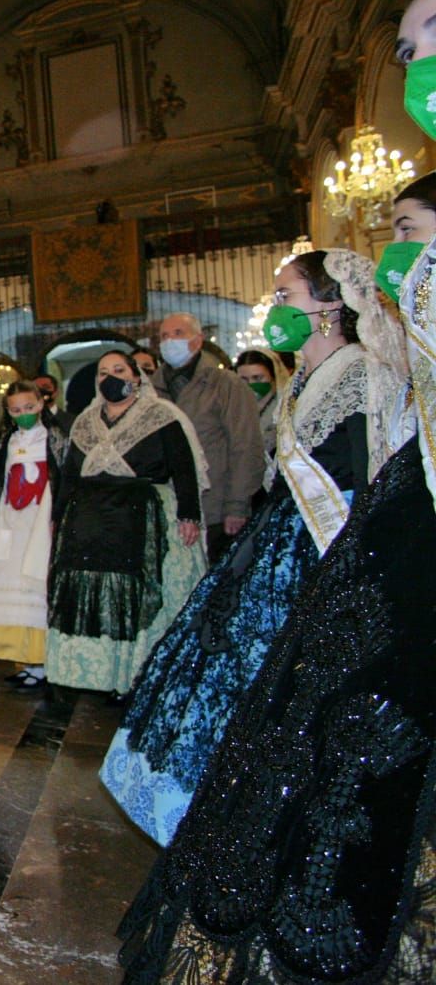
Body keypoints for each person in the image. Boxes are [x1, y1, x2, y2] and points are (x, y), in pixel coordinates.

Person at [118, 0, 436, 977]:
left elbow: (283, 454)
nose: (417, 65)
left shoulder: (344, 368)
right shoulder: (326, 365)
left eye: (287, 295)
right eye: (409, 45)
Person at [103, 249, 396, 847]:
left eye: (287, 295)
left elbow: (363, 473)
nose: (276, 307)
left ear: (330, 305)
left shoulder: (361, 373)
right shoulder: (302, 379)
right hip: (279, 535)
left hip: (318, 541)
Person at [46, 352, 207, 698]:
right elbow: (69, 476)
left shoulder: (161, 416)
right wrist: (58, 518)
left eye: (119, 370)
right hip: (92, 523)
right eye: (104, 372)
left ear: (136, 376)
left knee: (137, 596)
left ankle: (137, 676)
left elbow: (184, 469)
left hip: (143, 519)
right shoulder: (85, 423)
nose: (110, 378)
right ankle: (98, 675)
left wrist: (189, 515)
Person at [0, 380, 69, 689]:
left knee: (36, 584)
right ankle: (23, 658)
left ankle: (43, 661)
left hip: (40, 522)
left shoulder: (54, 438)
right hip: (11, 520)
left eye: (29, 407)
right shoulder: (7, 441)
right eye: (16, 410)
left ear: (41, 403)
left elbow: (64, 477)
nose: (23, 414)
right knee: (8, 582)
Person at [151, 311, 263, 561]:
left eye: (178, 333)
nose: (170, 341)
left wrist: (237, 505)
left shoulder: (225, 384)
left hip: (216, 507)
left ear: (198, 340)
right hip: (171, 508)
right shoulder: (151, 391)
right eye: (164, 336)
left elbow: (245, 445)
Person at [233, 347, 288, 472]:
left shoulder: (285, 409)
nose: (251, 384)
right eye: (244, 379)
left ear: (273, 376)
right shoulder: (234, 408)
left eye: (257, 378)